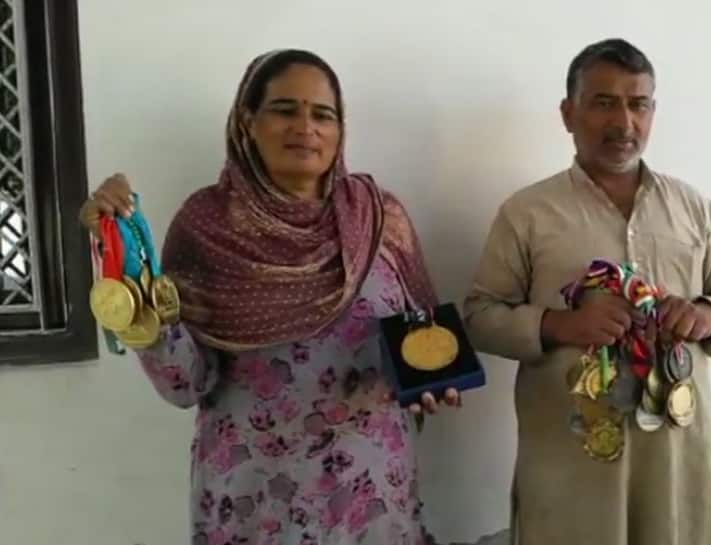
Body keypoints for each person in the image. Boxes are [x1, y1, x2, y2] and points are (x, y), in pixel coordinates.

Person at [80, 49, 458, 545]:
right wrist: (129, 275)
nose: (306, 126)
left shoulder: (377, 217)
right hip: (254, 499)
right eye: (284, 109)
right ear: (248, 122)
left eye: (323, 114)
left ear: (341, 131)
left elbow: (423, 341)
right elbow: (184, 384)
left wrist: (434, 382)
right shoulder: (208, 226)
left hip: (370, 495)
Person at [463, 38, 711, 545]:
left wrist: (709, 315)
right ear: (568, 113)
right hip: (571, 463)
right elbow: (479, 316)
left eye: (637, 103)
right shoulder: (528, 213)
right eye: (603, 102)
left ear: (652, 112)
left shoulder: (695, 209)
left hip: (679, 460)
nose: (623, 122)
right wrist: (560, 324)